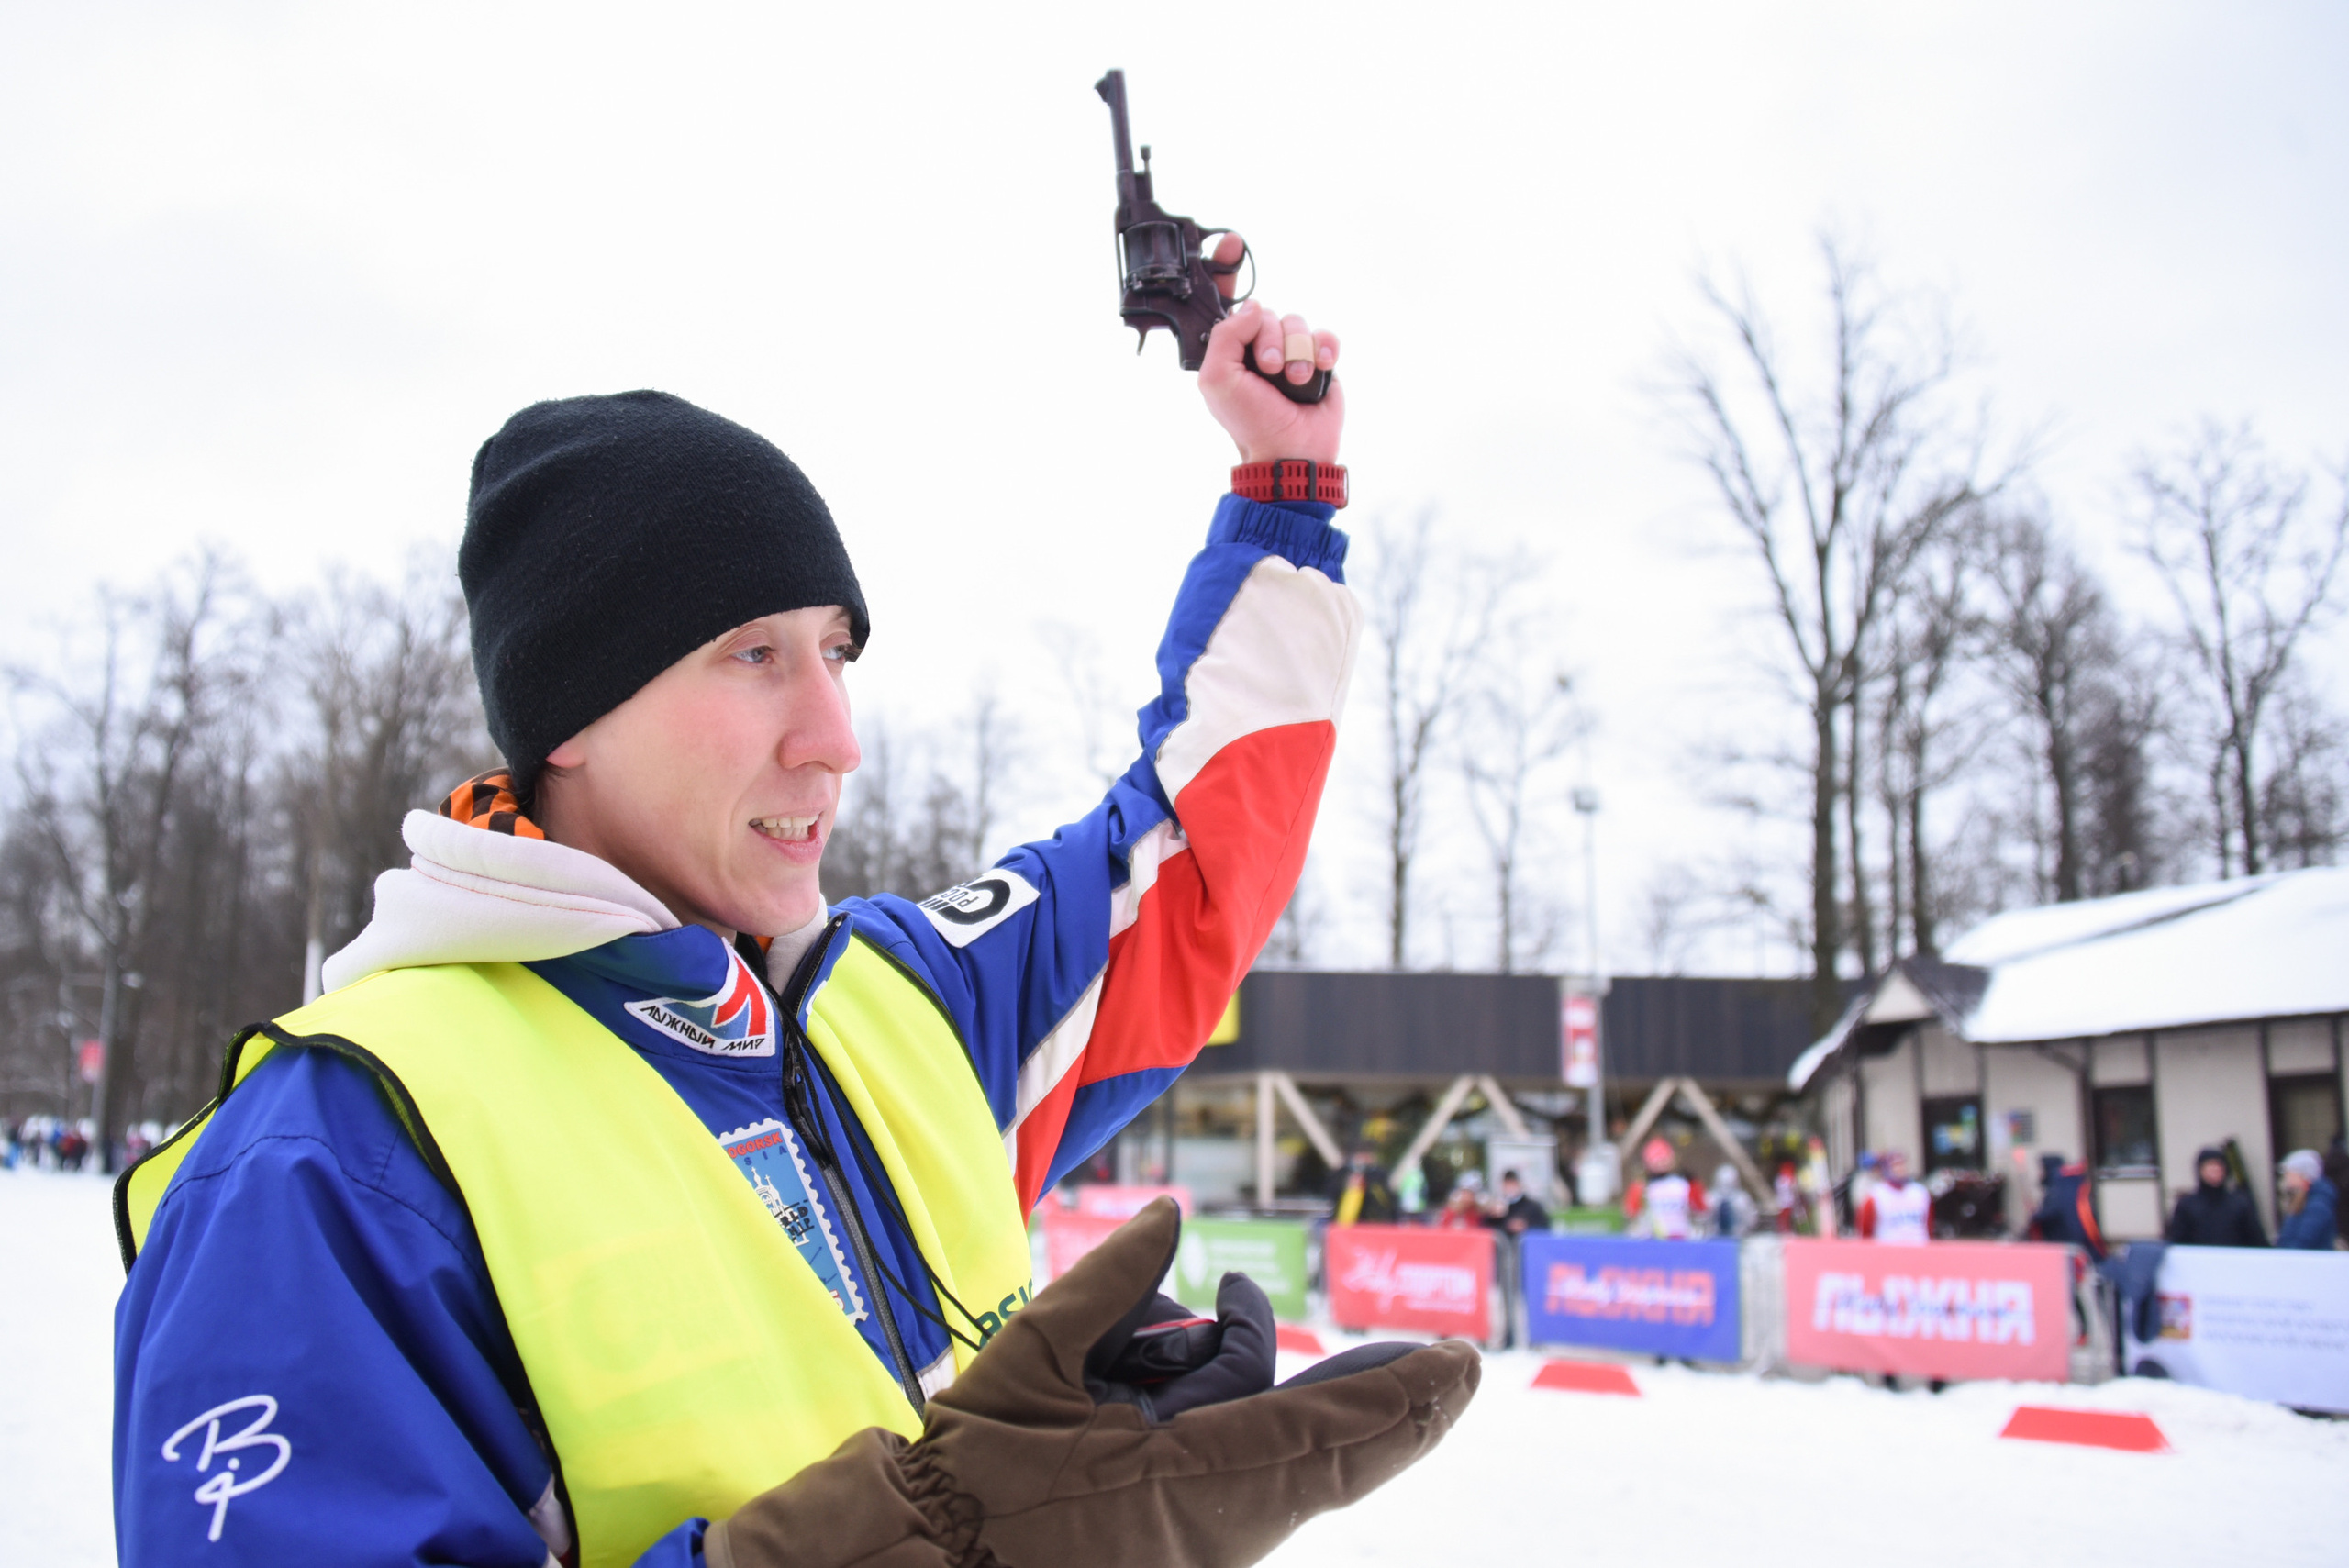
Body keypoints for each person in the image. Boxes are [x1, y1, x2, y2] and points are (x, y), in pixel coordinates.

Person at [113, 292, 1478, 1567]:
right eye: (754, 654)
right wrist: (934, 1531)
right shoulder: (332, 1157)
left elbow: (1184, 852)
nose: (836, 740)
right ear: (572, 717)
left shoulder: (904, 1000)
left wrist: (1284, 500)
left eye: (836, 651)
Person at [2165, 1144, 2268, 1247]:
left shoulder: (2240, 1203)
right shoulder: (2186, 1205)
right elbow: (2177, 1242)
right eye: (2210, 1165)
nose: (2215, 1169)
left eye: (2219, 1165)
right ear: (2200, 1170)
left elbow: (2257, 1239)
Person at [2025, 1152, 2106, 1262]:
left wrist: (2034, 1215)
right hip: (2086, 1244)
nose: (2039, 1174)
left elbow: (2050, 1211)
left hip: (2069, 1243)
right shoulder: (2070, 1180)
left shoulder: (2059, 1184)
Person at [1629, 1138, 1704, 1240]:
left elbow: (1701, 1208)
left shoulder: (1682, 1184)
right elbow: (1631, 1211)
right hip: (1652, 1239)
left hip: (1681, 1237)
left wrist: (1694, 1184)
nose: (1661, 1163)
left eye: (1664, 1159)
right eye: (1656, 1160)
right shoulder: (1643, 1186)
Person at [1857, 1151, 1930, 1243]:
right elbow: (1866, 1231)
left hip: (1919, 1250)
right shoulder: (1876, 1195)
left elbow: (1928, 1225)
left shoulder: (1920, 1193)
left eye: (1901, 1164)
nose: (1899, 1169)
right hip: (1888, 1251)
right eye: (1895, 1165)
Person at [2275, 1149, 2340, 1250]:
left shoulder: (2318, 1205)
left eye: (2290, 1173)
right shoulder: (2301, 1198)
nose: (2287, 1178)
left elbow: (2303, 1241)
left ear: (2304, 1175)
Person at [1330, 1147, 1398, 1227]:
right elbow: (1332, 1194)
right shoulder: (1342, 1174)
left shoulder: (1378, 1175)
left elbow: (1386, 1200)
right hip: (1349, 1220)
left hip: (1371, 1222)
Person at [1485, 1170, 1552, 1236]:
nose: (1510, 1188)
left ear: (1520, 1185)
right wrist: (1493, 1218)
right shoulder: (1497, 1208)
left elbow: (1544, 1228)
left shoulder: (1533, 1207)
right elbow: (1485, 1230)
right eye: (1507, 1184)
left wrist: (1526, 1226)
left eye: (1513, 1184)